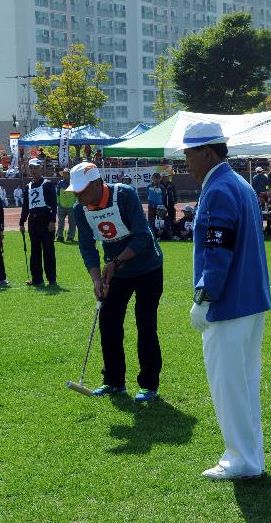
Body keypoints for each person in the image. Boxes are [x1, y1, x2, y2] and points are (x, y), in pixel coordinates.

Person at [181, 121, 271, 480]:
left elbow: (217, 251)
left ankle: (241, 460)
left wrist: (204, 297)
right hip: (249, 300)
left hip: (228, 303)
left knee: (229, 386)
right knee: (245, 384)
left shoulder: (218, 188)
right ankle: (249, 456)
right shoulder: (239, 183)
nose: (186, 161)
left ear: (206, 152)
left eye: (189, 153)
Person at [67, 161, 164, 403]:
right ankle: (113, 381)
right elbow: (87, 247)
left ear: (99, 183)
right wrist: (97, 279)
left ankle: (149, 384)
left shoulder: (124, 195)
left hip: (147, 268)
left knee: (145, 324)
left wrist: (115, 263)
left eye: (83, 190)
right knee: (108, 324)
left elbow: (142, 236)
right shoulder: (81, 209)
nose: (78, 196)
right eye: (75, 191)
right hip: (116, 272)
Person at [19, 159, 58, 287]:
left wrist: (53, 220)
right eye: (31, 168)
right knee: (34, 251)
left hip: (46, 218)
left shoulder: (47, 184)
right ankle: (37, 279)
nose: (33, 170)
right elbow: (26, 206)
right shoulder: (28, 186)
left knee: (48, 250)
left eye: (35, 168)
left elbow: (53, 204)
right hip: (33, 221)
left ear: (40, 169)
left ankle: (51, 279)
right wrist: (22, 221)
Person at [56, 168, 77, 242]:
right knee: (60, 222)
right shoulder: (60, 183)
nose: (65, 175)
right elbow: (57, 194)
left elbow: (77, 195)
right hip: (62, 205)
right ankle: (60, 236)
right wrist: (58, 203)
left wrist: (75, 204)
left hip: (72, 206)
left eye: (66, 173)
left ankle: (70, 237)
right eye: (64, 173)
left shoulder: (74, 183)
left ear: (70, 175)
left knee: (72, 222)